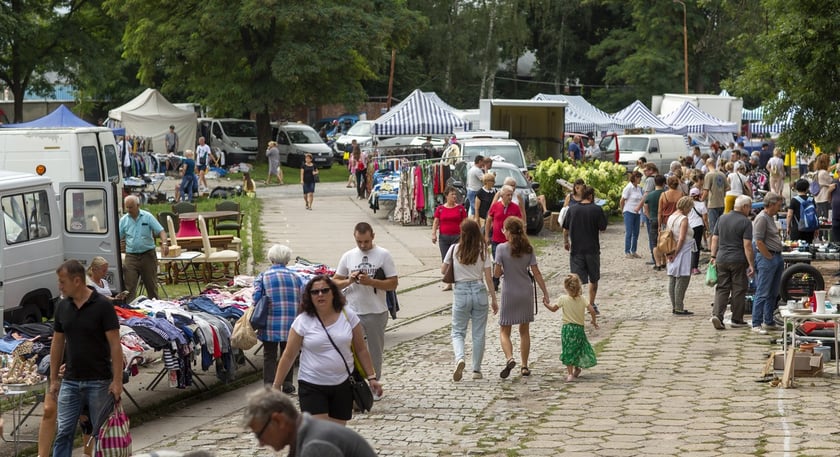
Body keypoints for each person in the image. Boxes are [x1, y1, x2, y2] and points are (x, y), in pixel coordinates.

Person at [271, 276, 382, 425]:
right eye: (315, 292)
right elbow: (289, 355)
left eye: (324, 290)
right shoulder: (302, 321)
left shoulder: (348, 315)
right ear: (309, 296)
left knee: (337, 433)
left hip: (343, 383)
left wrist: (372, 377)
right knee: (320, 433)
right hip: (312, 383)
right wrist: (277, 385)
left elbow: (361, 349)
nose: (320, 295)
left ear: (333, 293)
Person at [50, 260, 123, 457]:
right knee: (64, 431)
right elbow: (57, 343)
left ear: (76, 281)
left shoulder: (102, 306)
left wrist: (117, 381)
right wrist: (54, 378)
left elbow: (115, 345)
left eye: (62, 282)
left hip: (99, 380)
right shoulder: (62, 306)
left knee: (100, 432)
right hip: (71, 380)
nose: (59, 286)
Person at [332, 222, 398, 393]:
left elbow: (393, 283)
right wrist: (350, 280)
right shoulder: (348, 256)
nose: (363, 245)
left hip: (376, 311)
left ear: (373, 237)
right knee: (351, 349)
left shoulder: (383, 255)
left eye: (366, 242)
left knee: (375, 351)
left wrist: (372, 282)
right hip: (353, 311)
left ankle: (374, 384)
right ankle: (356, 384)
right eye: (359, 242)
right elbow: (334, 282)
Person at [244, 387, 378, 456]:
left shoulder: (315, 446)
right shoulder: (307, 435)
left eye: (259, 434)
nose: (260, 443)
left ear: (279, 420)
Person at [494, 217, 551, 379]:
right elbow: (537, 273)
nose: (502, 232)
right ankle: (524, 365)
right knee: (524, 331)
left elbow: (496, 274)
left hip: (509, 293)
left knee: (505, 330)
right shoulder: (528, 248)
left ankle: (509, 358)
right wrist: (545, 293)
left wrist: (502, 269)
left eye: (504, 229)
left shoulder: (501, 249)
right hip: (525, 292)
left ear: (509, 232)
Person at [444, 219, 498, 381]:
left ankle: (460, 358)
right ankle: (476, 370)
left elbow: (443, 269)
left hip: (461, 292)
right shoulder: (483, 251)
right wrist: (494, 299)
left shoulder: (454, 249)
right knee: (478, 333)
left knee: (458, 331)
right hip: (479, 290)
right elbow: (489, 278)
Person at [253, 244, 304, 393]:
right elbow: (303, 298)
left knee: (269, 355)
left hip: (270, 323)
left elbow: (256, 298)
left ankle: (269, 385)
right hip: (291, 323)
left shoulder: (263, 276)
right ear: (287, 260)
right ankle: (287, 383)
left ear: (271, 259)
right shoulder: (296, 277)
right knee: (288, 353)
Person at [709, 195, 754, 330]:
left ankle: (717, 315)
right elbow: (747, 245)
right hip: (738, 259)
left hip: (721, 258)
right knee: (739, 289)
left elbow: (714, 239)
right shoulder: (745, 222)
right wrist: (751, 264)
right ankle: (737, 319)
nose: (750, 210)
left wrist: (713, 255)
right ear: (744, 207)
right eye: (749, 207)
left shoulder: (722, 218)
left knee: (722, 288)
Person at [563, 186, 608, 315]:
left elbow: (565, 229)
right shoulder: (597, 209)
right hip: (592, 249)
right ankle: (591, 303)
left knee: (576, 279)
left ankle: (578, 304)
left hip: (576, 249)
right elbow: (603, 228)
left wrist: (566, 242)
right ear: (591, 196)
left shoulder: (572, 210)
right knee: (594, 279)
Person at [550, 273, 598, 382]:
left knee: (568, 349)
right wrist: (593, 321)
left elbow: (553, 309)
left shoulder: (563, 299)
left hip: (567, 329)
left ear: (566, 287)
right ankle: (577, 368)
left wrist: (546, 304)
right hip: (579, 329)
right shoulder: (583, 299)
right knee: (578, 349)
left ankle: (570, 373)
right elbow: (592, 310)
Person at [120, 195, 169, 301]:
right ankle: (129, 309)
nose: (128, 210)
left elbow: (161, 231)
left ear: (138, 205)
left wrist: (164, 243)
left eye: (131, 207)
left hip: (148, 255)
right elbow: (117, 237)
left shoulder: (147, 216)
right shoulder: (124, 220)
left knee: (151, 286)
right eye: (127, 207)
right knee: (129, 286)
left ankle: (155, 307)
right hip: (131, 256)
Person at [752, 192, 785, 334]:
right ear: (771, 204)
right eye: (778, 205)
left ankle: (769, 320)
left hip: (775, 257)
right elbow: (758, 240)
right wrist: (768, 257)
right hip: (767, 258)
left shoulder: (770, 218)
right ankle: (756, 322)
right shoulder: (762, 218)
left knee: (773, 292)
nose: (779, 208)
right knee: (763, 291)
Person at [432, 186, 467, 291]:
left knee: (457, 259)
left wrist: (466, 235)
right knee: (445, 259)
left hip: (458, 237)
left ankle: (459, 280)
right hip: (444, 238)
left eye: (455, 194)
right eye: (452, 194)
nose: (454, 196)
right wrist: (433, 233)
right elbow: (436, 222)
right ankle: (448, 282)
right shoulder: (440, 209)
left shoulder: (460, 208)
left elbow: (465, 223)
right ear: (446, 196)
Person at [665, 196, 695, 315]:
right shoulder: (683, 219)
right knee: (682, 278)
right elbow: (682, 238)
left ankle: (675, 305)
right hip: (682, 250)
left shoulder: (672, 216)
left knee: (673, 278)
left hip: (672, 248)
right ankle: (679, 306)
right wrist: (676, 253)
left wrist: (671, 252)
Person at [485, 185, 520, 258]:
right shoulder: (495, 206)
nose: (510, 197)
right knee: (496, 261)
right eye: (508, 195)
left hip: (510, 241)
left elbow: (519, 223)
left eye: (511, 195)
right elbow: (488, 221)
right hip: (496, 240)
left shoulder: (516, 208)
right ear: (502, 195)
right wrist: (487, 236)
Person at [644, 175, 666, 270]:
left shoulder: (650, 195)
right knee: (665, 240)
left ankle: (657, 264)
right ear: (664, 183)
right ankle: (664, 261)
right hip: (665, 220)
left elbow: (645, 208)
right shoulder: (666, 194)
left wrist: (650, 217)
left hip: (653, 219)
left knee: (654, 243)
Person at [620, 171, 644, 258]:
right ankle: (627, 251)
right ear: (635, 178)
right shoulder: (628, 187)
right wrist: (623, 211)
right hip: (629, 211)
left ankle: (634, 250)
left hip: (637, 213)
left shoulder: (638, 188)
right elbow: (622, 200)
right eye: (639, 178)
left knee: (636, 233)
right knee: (629, 232)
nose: (640, 179)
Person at [702, 158, 728, 235]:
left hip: (712, 203)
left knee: (713, 228)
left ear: (707, 164)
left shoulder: (709, 175)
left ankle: (715, 246)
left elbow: (706, 190)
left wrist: (701, 199)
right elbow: (728, 187)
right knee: (720, 227)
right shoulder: (722, 174)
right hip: (721, 203)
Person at [787, 178, 817, 244]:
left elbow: (789, 215)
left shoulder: (794, 200)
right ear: (807, 188)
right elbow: (815, 214)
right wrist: (816, 229)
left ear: (796, 188)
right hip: (809, 229)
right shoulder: (811, 199)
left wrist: (788, 226)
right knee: (808, 249)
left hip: (797, 229)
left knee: (796, 250)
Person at [688, 187, 709, 275]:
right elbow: (705, 218)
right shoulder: (702, 205)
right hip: (698, 226)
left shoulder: (687, 205)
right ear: (699, 195)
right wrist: (708, 228)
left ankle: (687, 266)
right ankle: (694, 268)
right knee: (696, 247)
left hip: (689, 226)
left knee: (688, 247)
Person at [814, 153, 836, 221]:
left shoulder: (817, 172)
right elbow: (832, 182)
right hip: (825, 198)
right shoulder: (824, 173)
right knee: (826, 218)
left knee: (820, 217)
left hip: (818, 198)